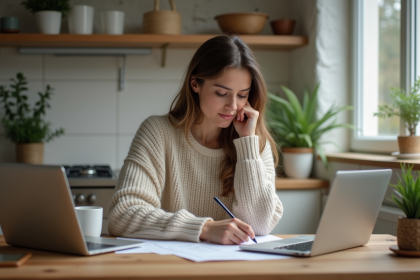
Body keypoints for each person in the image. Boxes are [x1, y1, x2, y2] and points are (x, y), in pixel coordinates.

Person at [108, 35, 283, 245]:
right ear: (195, 84)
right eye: (221, 93)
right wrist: (203, 228)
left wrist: (247, 144)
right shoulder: (157, 132)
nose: (233, 106)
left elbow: (260, 225)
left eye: (242, 95)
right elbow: (123, 214)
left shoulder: (254, 141)